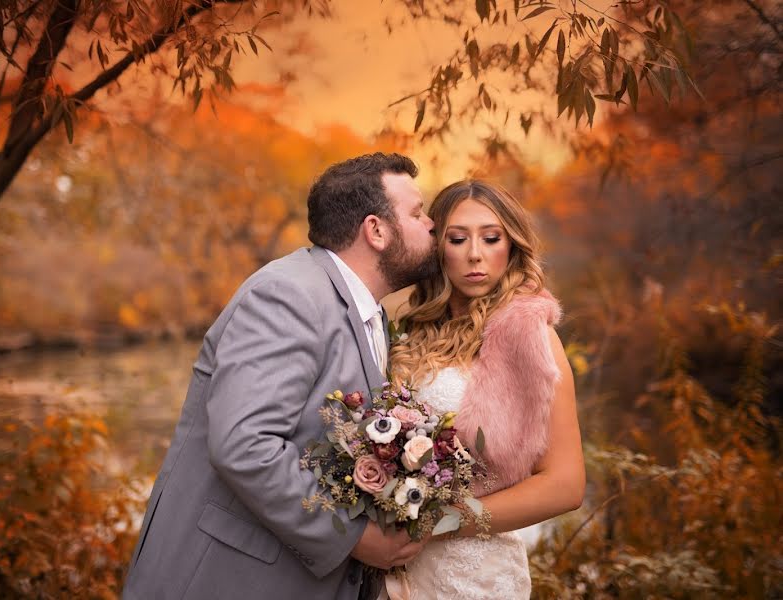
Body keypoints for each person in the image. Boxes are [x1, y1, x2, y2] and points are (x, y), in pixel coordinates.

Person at [123, 153, 440, 600]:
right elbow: (244, 443)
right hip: (225, 580)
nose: (431, 225)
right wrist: (354, 536)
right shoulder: (289, 294)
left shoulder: (369, 316)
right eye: (417, 212)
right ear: (377, 231)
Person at [388, 180, 586, 599]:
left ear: (511, 247)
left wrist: (440, 521)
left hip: (474, 574)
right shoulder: (413, 332)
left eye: (491, 238)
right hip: (395, 567)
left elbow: (565, 484)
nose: (475, 254)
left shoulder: (528, 333)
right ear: (437, 247)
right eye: (458, 239)